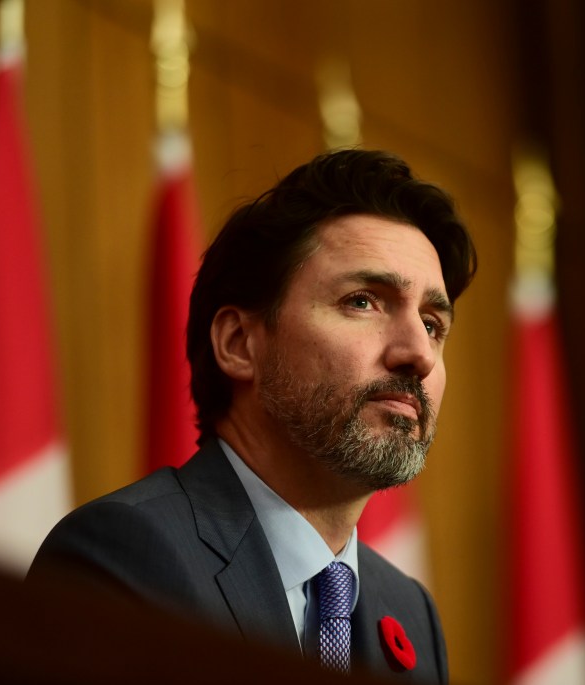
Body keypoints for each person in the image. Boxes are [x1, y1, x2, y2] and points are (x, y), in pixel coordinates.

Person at [27, 149, 477, 683]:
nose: (419, 355)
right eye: (363, 301)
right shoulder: (126, 558)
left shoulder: (409, 614)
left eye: (431, 324)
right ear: (240, 344)